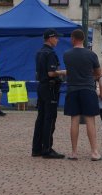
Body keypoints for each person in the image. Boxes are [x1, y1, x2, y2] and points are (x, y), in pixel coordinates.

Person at [63, 29, 102, 161]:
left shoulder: (67, 55)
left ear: (73, 38)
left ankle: (74, 152)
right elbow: (98, 73)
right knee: (90, 120)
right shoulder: (91, 54)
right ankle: (94, 152)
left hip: (72, 89)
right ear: (84, 39)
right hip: (88, 89)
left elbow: (70, 71)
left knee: (74, 120)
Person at [32, 29, 66, 159]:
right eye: (56, 38)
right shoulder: (50, 53)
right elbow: (51, 73)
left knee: (41, 117)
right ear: (50, 38)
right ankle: (47, 149)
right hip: (50, 88)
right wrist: (64, 72)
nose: (57, 40)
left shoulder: (39, 52)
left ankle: (36, 148)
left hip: (41, 86)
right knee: (50, 118)